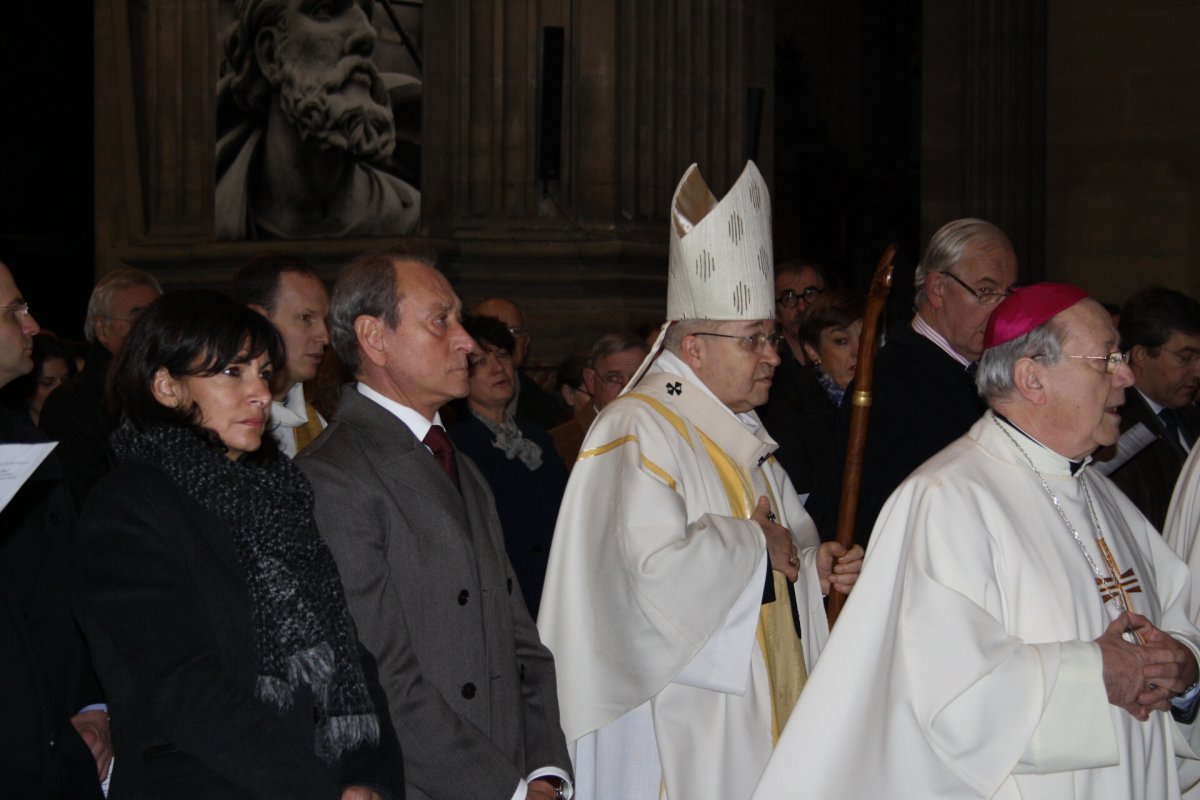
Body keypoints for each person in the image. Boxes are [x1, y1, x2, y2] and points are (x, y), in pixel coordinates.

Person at [753, 283, 1200, 799]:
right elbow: (942, 695)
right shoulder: (945, 500)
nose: (1125, 376)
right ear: (1032, 377)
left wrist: (1185, 675)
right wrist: (1094, 670)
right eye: (1106, 359)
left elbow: (1181, 621)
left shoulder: (1104, 496)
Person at [538, 162, 863, 800]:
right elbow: (637, 586)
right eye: (755, 340)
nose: (773, 354)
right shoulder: (635, 429)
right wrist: (754, 548)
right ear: (694, 350)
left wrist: (810, 562)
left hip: (756, 700)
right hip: (679, 719)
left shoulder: (741, 433)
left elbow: (779, 545)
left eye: (771, 338)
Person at [72, 290, 402, 799]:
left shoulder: (279, 494)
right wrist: (318, 791)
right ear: (165, 385)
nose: (259, 394)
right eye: (232, 373)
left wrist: (368, 779)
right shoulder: (129, 506)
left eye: (264, 373)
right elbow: (185, 688)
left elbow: (350, 658)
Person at [296, 245, 572, 800]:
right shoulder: (334, 474)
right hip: (437, 783)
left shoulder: (460, 463)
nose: (466, 341)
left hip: (512, 769)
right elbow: (384, 673)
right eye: (440, 321)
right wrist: (507, 790)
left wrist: (545, 766)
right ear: (375, 338)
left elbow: (520, 640)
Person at [0, 260, 108, 798]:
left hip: (56, 750)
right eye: (14, 310)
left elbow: (66, 583)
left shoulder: (22, 436)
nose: (32, 325)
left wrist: (93, 704)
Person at [841, 217, 1017, 546]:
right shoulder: (888, 385)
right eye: (986, 291)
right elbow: (874, 519)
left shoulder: (989, 374)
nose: (1001, 310)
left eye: (1007, 294)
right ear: (937, 289)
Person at [216, 0, 419, 239]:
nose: (367, 33)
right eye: (325, 10)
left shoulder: (410, 218)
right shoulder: (216, 214)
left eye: (365, 12)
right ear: (270, 54)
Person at [448, 315, 569, 618]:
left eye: (502, 355)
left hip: (556, 587)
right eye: (481, 361)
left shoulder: (537, 435)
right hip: (507, 599)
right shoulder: (458, 446)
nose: (497, 367)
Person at [40, 268, 162, 508]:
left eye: (158, 318)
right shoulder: (71, 406)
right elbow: (89, 499)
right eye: (138, 317)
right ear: (102, 329)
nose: (153, 330)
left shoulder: (168, 393)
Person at [1096, 286, 1200, 529]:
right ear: (1141, 355)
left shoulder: (1191, 416)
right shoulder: (1112, 429)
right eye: (1186, 357)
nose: (1197, 372)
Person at [763, 291, 865, 539]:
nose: (858, 351)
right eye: (841, 341)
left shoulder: (884, 404)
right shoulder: (790, 420)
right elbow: (797, 520)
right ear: (812, 350)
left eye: (866, 338)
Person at [233, 253, 332, 457]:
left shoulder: (316, 426)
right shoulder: (222, 421)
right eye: (305, 318)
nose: (324, 337)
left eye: (325, 321)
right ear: (258, 320)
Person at [548, 332, 648, 469]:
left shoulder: (663, 435)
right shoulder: (557, 445)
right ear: (591, 380)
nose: (627, 390)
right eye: (614, 379)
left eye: (637, 379)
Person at [472, 297, 565, 430]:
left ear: (526, 342)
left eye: (513, 331)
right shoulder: (447, 411)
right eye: (491, 331)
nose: (504, 340)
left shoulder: (545, 404)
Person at [758, 258, 828, 416]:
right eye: (789, 298)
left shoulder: (842, 358)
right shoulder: (768, 366)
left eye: (810, 294)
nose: (802, 307)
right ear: (775, 312)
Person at [0, 333, 77, 426]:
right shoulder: (12, 432)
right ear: (28, 389)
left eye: (65, 380)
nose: (60, 388)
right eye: (47, 383)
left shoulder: (78, 426)